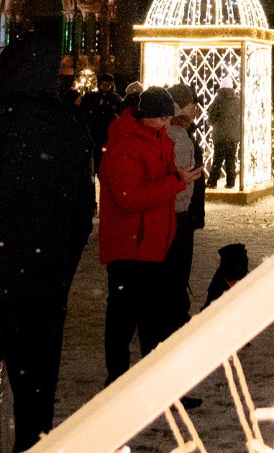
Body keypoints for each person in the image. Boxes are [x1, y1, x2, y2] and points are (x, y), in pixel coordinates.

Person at [0, 34, 97, 450]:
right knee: (36, 397)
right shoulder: (67, 125)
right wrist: (60, 266)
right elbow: (83, 210)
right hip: (43, 283)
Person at [98, 85, 196, 381]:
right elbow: (129, 198)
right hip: (130, 248)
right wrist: (176, 182)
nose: (167, 124)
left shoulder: (158, 138)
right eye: (162, 118)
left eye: (168, 118)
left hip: (152, 244)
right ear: (146, 116)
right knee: (125, 318)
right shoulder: (125, 143)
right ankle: (118, 381)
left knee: (151, 318)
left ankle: (149, 381)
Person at [159, 83, 206, 342]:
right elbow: (180, 177)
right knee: (177, 266)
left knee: (175, 266)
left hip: (179, 209)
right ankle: (175, 316)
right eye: (191, 103)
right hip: (179, 211)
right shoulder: (178, 134)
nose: (195, 108)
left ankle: (174, 312)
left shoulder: (177, 130)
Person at [80, 73, 123, 170]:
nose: (105, 87)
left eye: (108, 85)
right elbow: (85, 112)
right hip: (94, 131)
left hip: (108, 132)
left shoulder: (116, 99)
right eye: (103, 84)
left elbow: (119, 114)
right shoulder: (91, 97)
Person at [208, 80, 242, 189]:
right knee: (231, 159)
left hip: (220, 135)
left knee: (217, 159)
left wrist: (211, 122)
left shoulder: (218, 100)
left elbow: (212, 115)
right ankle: (231, 182)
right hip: (233, 136)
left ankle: (212, 182)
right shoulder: (238, 101)